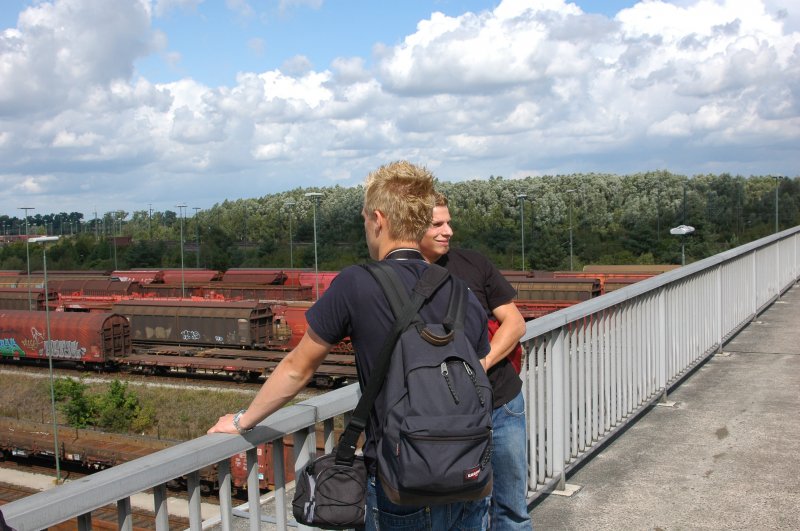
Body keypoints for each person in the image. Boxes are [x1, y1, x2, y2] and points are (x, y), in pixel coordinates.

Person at [209, 161, 492, 530]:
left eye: (364, 219)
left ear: (378, 219)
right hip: (467, 475)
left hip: (399, 482)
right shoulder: (459, 290)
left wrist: (242, 421)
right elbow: (476, 363)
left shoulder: (356, 283)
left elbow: (298, 368)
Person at [419, 192, 531, 530]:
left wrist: (482, 364)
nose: (448, 231)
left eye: (449, 222)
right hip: (451, 420)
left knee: (511, 509)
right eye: (437, 224)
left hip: (502, 404)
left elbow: (515, 322)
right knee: (467, 514)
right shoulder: (403, 277)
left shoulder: (473, 263)